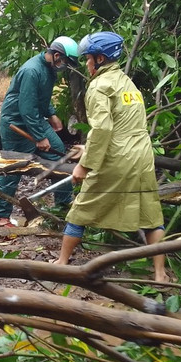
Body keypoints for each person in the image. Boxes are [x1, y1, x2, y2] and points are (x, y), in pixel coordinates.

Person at [52, 32, 168, 282]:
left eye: (88, 59)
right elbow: (123, 126)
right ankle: (160, 274)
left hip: (118, 158)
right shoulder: (128, 84)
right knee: (150, 214)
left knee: (80, 209)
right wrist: (88, 149)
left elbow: (103, 129)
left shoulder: (99, 87)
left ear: (100, 59)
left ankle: (61, 262)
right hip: (142, 155)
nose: (86, 63)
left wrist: (84, 165)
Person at [0, 36, 79, 227]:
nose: (65, 66)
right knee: (13, 168)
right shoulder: (32, 71)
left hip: (34, 118)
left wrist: (52, 114)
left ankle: (63, 205)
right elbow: (27, 107)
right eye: (65, 61)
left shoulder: (49, 69)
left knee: (59, 154)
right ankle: (0, 215)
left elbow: (41, 98)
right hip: (16, 124)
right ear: (56, 55)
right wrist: (39, 137)